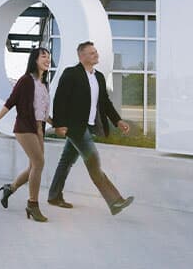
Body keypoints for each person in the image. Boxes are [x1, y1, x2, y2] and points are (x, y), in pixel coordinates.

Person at [48, 41, 135, 216]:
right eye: (92, 53)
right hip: (75, 127)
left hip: (89, 126)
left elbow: (105, 103)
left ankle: (54, 196)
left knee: (66, 162)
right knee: (93, 161)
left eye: (96, 52)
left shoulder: (99, 77)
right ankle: (115, 201)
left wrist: (117, 121)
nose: (96, 54)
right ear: (82, 56)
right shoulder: (71, 74)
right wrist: (59, 125)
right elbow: (59, 100)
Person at [0, 47, 52, 222]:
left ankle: (10, 189)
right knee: (39, 163)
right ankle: (32, 204)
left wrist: (57, 125)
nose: (47, 59)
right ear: (35, 60)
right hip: (24, 128)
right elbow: (10, 102)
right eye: (43, 56)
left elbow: (43, 112)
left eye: (49, 57)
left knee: (33, 167)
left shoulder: (44, 84)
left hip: (39, 129)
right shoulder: (25, 81)